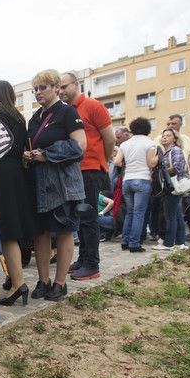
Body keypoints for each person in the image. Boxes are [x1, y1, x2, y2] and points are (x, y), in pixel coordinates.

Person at [26, 69, 87, 300]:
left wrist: (46, 154)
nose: (38, 93)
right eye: (35, 89)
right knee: (40, 234)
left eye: (43, 88)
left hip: (63, 184)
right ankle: (43, 280)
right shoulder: (34, 118)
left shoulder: (67, 112)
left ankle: (60, 283)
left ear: (55, 88)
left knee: (63, 232)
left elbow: (80, 146)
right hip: (39, 183)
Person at [0, 80, 40, 306]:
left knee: (6, 232)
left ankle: (18, 283)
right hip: (17, 173)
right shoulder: (19, 117)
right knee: (12, 229)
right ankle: (13, 277)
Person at [59, 72, 113, 280]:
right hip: (75, 170)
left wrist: (102, 162)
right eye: (59, 88)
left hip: (91, 169)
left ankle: (92, 264)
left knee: (89, 217)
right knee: (80, 216)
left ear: (76, 85)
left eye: (65, 87)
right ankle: (83, 259)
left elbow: (108, 138)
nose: (61, 91)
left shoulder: (92, 106)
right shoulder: (66, 111)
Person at [112, 117, 157, 252]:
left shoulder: (125, 144)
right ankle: (134, 244)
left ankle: (125, 241)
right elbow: (151, 163)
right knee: (139, 213)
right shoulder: (150, 143)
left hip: (127, 181)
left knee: (130, 212)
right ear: (147, 129)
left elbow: (117, 162)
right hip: (142, 179)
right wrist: (158, 157)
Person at [153, 128, 188, 251]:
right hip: (171, 187)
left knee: (170, 216)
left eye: (168, 135)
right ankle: (180, 242)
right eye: (163, 136)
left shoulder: (175, 150)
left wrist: (161, 173)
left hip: (172, 186)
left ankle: (168, 243)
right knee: (177, 215)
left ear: (174, 139)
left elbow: (177, 167)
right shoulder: (167, 152)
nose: (164, 137)